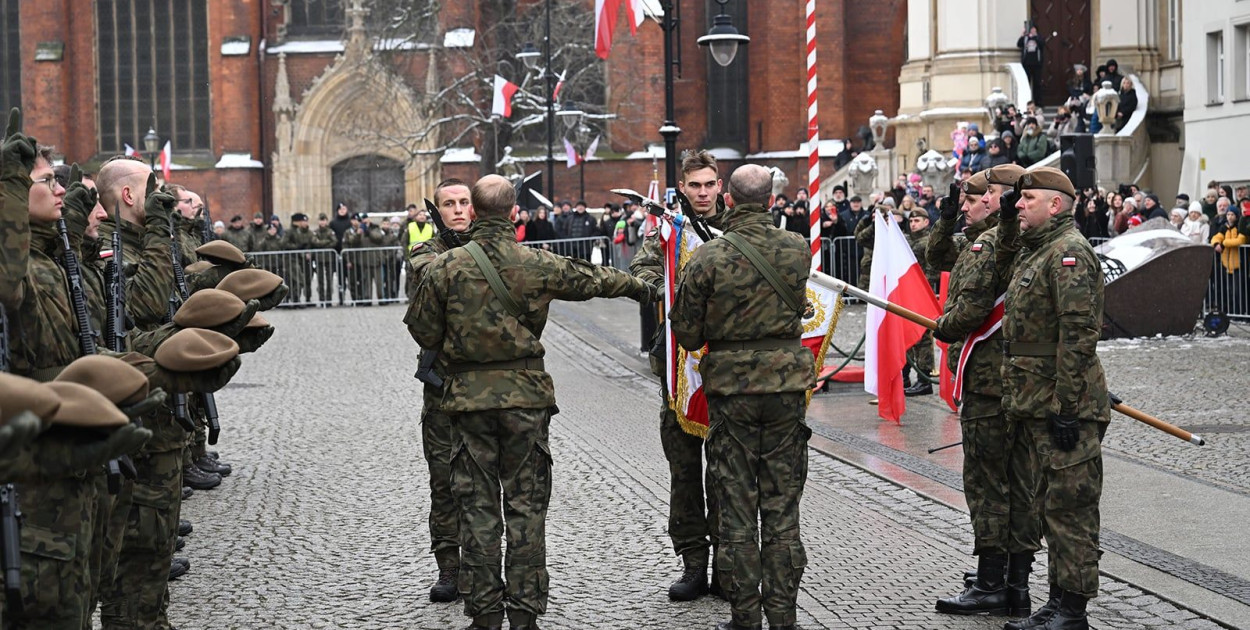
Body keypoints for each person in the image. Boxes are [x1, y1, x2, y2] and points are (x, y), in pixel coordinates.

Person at [408, 175, 656, 630]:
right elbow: (593, 279)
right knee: (526, 509)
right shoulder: (536, 262)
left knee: (477, 509)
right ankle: (524, 614)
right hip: (525, 402)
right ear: (515, 214)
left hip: (467, 405)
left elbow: (422, 331)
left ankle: (484, 613)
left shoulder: (445, 268)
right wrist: (641, 285)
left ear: (476, 214)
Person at [668, 163, 815, 630]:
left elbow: (687, 334)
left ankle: (745, 616)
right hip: (787, 393)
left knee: (736, 505)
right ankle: (784, 617)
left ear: (727, 200)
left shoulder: (709, 258)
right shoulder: (797, 249)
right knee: (782, 507)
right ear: (771, 201)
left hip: (732, 395)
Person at [995, 166, 1110, 630]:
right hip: (1038, 402)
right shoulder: (1038, 250)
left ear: (1055, 205)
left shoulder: (1069, 254)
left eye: (1027, 199)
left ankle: (1073, 611)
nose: (1019, 204)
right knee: (1050, 507)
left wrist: (1066, 406)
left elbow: (1078, 335)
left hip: (1065, 406)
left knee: (1071, 510)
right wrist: (1006, 220)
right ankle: (1058, 602)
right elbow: (999, 263)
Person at [929, 165, 1041, 621]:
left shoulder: (993, 243)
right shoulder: (1020, 242)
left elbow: (972, 308)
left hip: (991, 380)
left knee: (989, 484)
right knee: (1018, 484)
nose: (986, 199)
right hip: (1016, 380)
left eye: (992, 192)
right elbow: (940, 256)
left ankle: (996, 584)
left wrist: (942, 327)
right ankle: (1013, 584)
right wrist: (944, 219)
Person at [628, 150, 727, 601]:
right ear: (682, 187)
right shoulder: (668, 232)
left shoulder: (738, 228)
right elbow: (643, 274)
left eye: (710, 185)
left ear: (720, 185)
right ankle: (693, 563)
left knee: (727, 474)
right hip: (679, 370)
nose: (703, 193)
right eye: (695, 186)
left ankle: (729, 564)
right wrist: (679, 284)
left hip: (726, 371)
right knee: (684, 473)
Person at [402, 177, 475, 603]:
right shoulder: (426, 253)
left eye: (465, 202)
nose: (459, 210)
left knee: (486, 483)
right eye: (450, 203)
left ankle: (484, 564)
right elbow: (430, 278)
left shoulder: (490, 250)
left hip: (486, 387)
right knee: (444, 481)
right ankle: (449, 567)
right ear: (438, 211)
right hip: (444, 384)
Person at [904, 209, 937, 396]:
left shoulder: (927, 242)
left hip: (921, 294)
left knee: (923, 337)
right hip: (909, 294)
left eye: (917, 220)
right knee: (909, 335)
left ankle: (924, 379)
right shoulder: (909, 241)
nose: (913, 224)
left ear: (926, 222)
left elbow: (932, 270)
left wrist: (923, 286)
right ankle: (907, 375)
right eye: (911, 221)